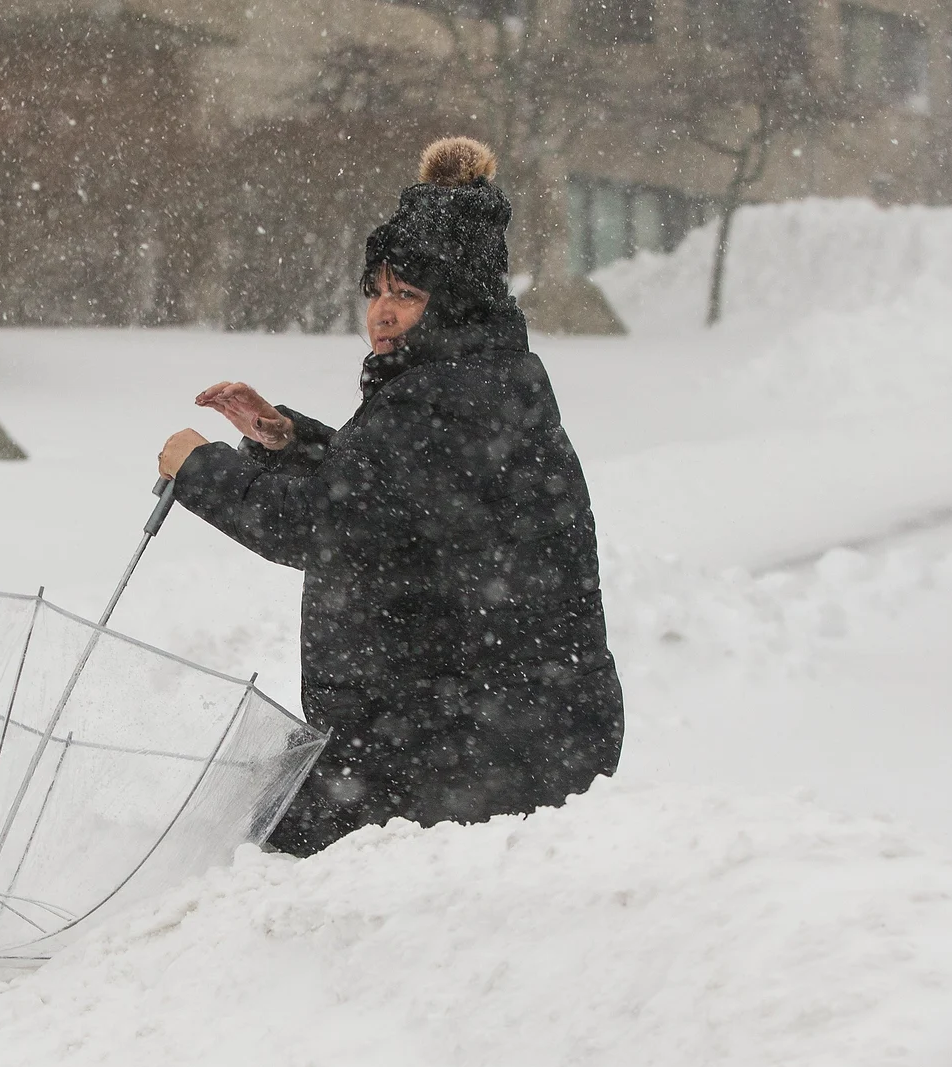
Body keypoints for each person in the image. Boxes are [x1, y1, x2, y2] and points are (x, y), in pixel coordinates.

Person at [155, 136, 623, 856]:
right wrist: (287, 440)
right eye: (375, 290)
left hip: (469, 742)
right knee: (270, 825)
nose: (381, 311)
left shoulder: (435, 401)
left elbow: (317, 526)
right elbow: (390, 498)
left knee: (268, 846)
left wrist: (199, 468)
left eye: (406, 294)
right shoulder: (491, 375)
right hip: (513, 723)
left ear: (455, 303)